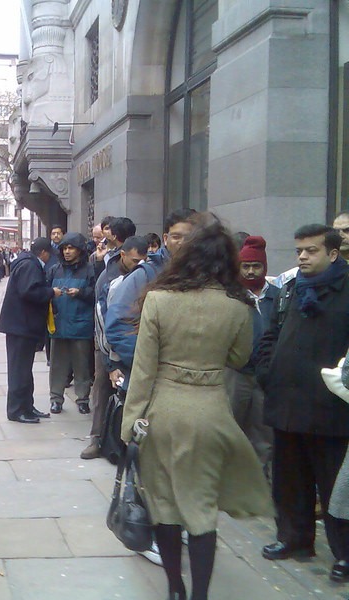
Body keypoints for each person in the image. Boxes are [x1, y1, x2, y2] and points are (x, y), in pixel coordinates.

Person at [121, 216, 274, 600]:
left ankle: (175, 588)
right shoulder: (237, 307)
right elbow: (239, 358)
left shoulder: (158, 299)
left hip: (162, 414)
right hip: (211, 413)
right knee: (202, 508)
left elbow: (143, 369)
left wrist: (131, 424)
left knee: (165, 505)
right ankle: (201, 595)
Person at [256, 224, 349, 583]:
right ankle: (294, 539)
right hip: (287, 402)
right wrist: (267, 371)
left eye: (311, 251)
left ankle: (344, 554)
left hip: (332, 409)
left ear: (332, 254)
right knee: (289, 480)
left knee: (335, 488)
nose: (302, 257)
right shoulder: (291, 289)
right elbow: (271, 333)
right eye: (299, 251)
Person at [82, 235, 151, 459]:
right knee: (103, 389)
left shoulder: (145, 276)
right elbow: (102, 322)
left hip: (134, 345)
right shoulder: (108, 278)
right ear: (123, 255)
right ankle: (96, 439)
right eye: (134, 261)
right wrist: (111, 364)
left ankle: (124, 441)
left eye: (144, 261)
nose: (139, 266)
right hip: (106, 344)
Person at [224, 236, 277, 471]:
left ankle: (260, 484)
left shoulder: (277, 296)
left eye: (257, 266)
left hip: (265, 376)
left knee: (263, 434)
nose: (252, 271)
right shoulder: (230, 296)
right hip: (235, 373)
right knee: (231, 428)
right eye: (246, 266)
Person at [0, 237, 61, 423]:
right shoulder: (30, 265)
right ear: (43, 252)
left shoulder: (27, 262)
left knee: (24, 369)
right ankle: (17, 410)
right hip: (21, 326)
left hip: (23, 325)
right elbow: (28, 291)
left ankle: (27, 406)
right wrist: (51, 292)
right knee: (19, 370)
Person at [45, 232, 96, 414]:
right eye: (64, 248)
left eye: (71, 248)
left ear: (79, 250)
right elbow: (45, 291)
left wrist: (81, 292)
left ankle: (82, 399)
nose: (67, 251)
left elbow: (97, 295)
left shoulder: (90, 270)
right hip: (58, 324)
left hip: (81, 324)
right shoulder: (55, 269)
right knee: (57, 365)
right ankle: (56, 399)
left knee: (82, 365)